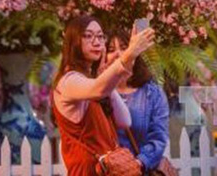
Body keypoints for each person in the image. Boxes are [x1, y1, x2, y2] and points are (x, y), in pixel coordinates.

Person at [51, 15, 155, 175]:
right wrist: (129, 54)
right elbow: (97, 89)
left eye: (100, 36)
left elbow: (124, 120)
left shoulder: (93, 81)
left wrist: (104, 77)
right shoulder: (68, 81)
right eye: (88, 36)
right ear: (73, 41)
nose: (96, 42)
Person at [105, 28, 170, 172]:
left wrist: (137, 164)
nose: (118, 54)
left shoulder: (152, 93)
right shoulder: (99, 92)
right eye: (111, 50)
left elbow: (159, 138)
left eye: (124, 48)